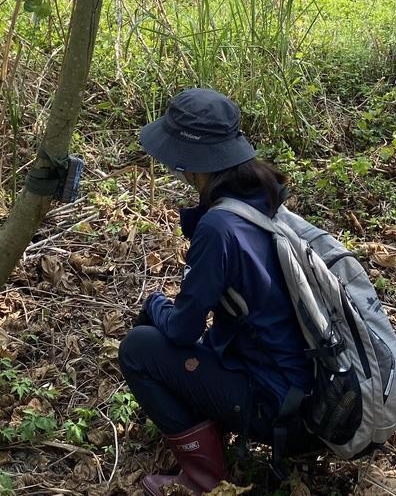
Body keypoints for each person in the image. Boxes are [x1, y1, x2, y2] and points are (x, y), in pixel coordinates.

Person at [118, 88, 316, 496]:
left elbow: (181, 331)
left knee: (138, 347)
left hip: (275, 404)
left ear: (191, 163)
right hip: (307, 394)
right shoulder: (263, 198)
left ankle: (201, 479)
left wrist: (154, 305)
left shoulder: (218, 227)